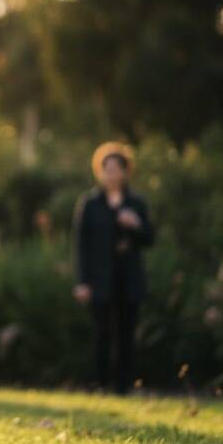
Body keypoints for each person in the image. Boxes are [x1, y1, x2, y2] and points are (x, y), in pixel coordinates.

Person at [72, 142, 155, 394]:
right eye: (105, 169)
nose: (110, 175)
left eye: (115, 169)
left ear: (125, 171)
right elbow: (81, 245)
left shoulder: (136, 203)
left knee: (126, 335)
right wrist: (82, 281)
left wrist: (136, 225)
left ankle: (123, 386)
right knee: (101, 333)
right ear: (100, 172)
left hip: (128, 278)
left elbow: (150, 239)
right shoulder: (90, 203)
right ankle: (99, 384)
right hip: (100, 278)